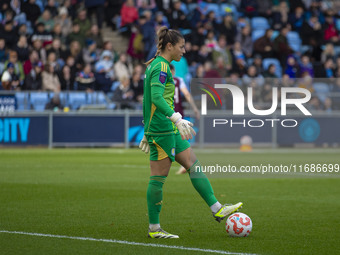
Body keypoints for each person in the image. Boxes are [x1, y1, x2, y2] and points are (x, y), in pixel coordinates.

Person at [139, 26, 243, 239]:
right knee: (158, 178)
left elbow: (147, 98)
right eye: (181, 47)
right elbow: (156, 98)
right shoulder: (161, 67)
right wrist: (174, 118)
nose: (184, 51)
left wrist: (145, 128)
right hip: (162, 129)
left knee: (193, 164)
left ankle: (217, 207)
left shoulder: (159, 64)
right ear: (170, 46)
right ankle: (154, 229)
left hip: (165, 127)